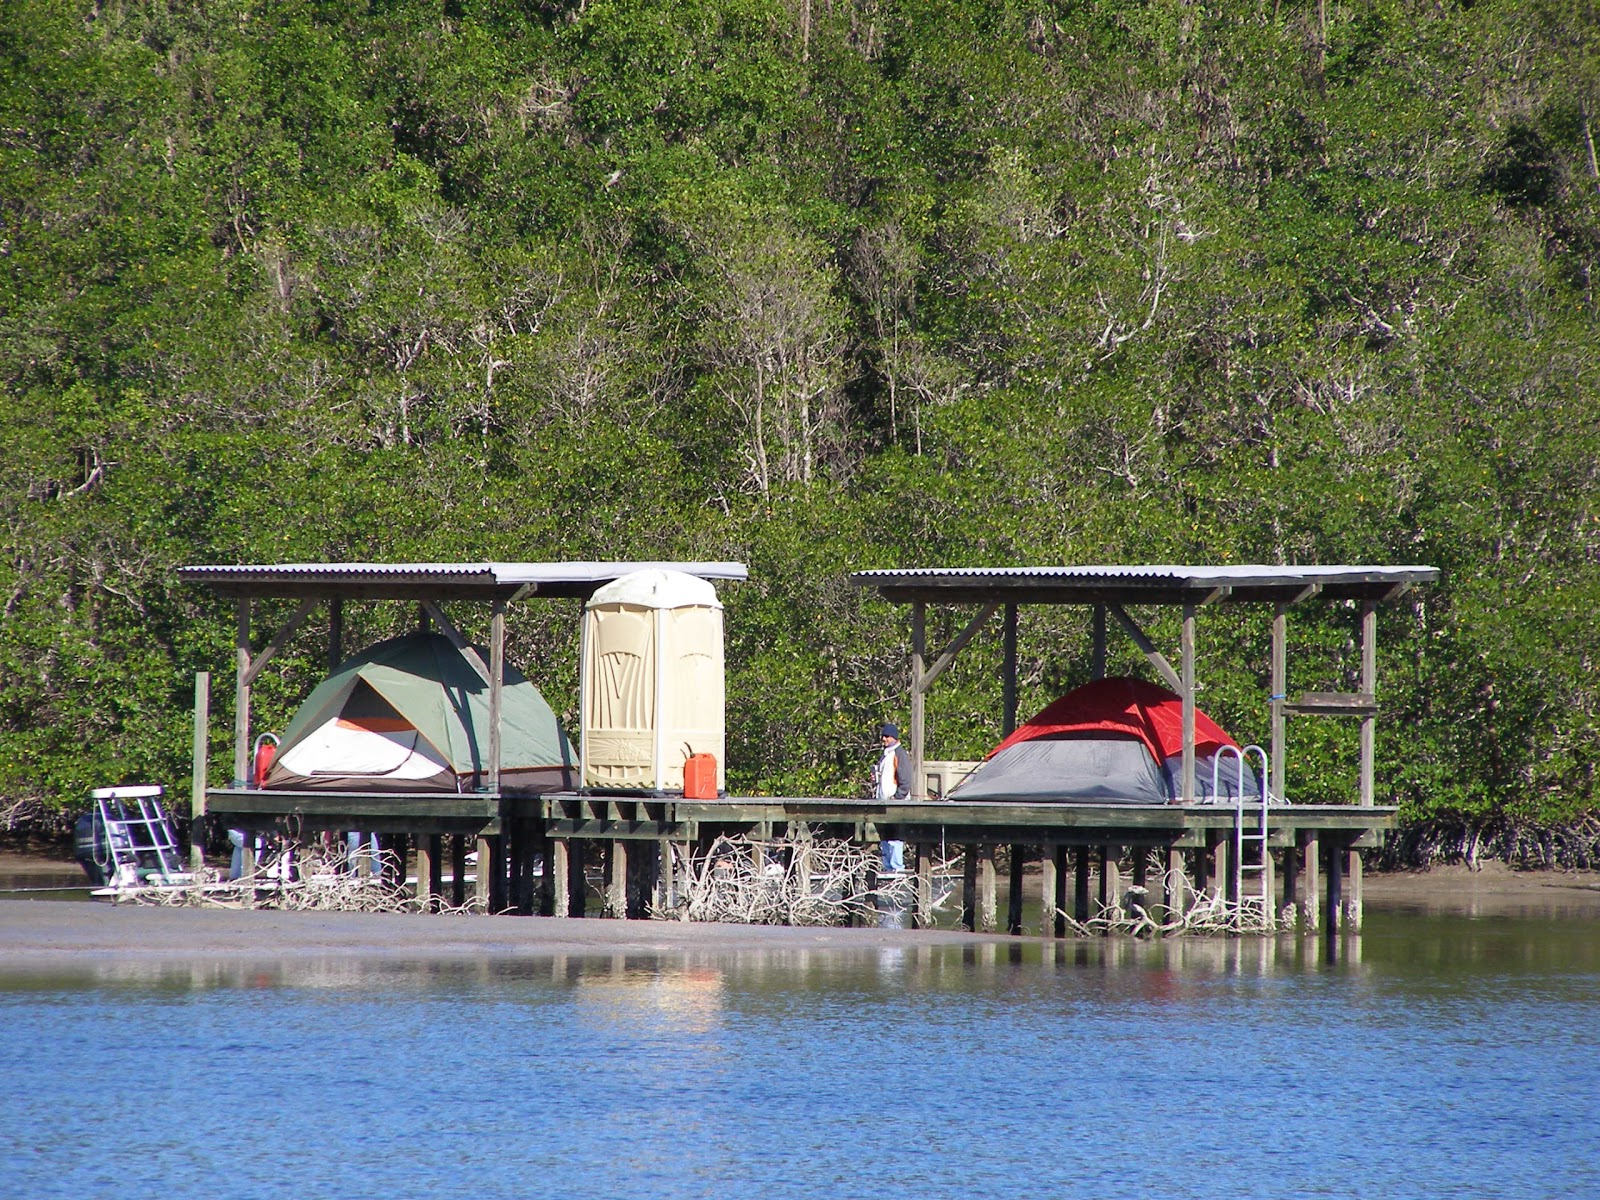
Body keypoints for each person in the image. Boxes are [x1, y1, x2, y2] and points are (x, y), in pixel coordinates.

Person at [874, 722, 912, 873]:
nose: (884, 739)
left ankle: (897, 868)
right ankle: (887, 867)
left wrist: (898, 797)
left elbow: (906, 779)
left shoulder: (899, 754)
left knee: (896, 836)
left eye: (887, 736)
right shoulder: (885, 754)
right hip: (883, 802)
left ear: (894, 737)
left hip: (896, 803)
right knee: (884, 836)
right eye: (883, 736)